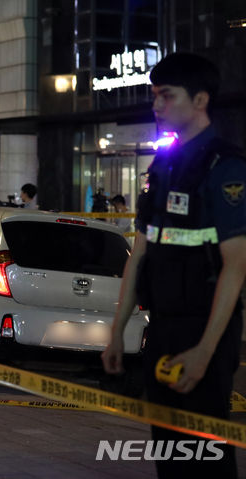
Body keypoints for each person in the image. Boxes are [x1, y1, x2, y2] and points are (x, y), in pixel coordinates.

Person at [102, 52, 245, 478]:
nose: (156, 105)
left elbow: (236, 267)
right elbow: (140, 253)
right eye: (154, 96)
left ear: (200, 99)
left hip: (205, 329)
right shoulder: (162, 166)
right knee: (169, 453)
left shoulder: (226, 167)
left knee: (206, 456)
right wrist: (116, 332)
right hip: (161, 326)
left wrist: (205, 350)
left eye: (167, 96)